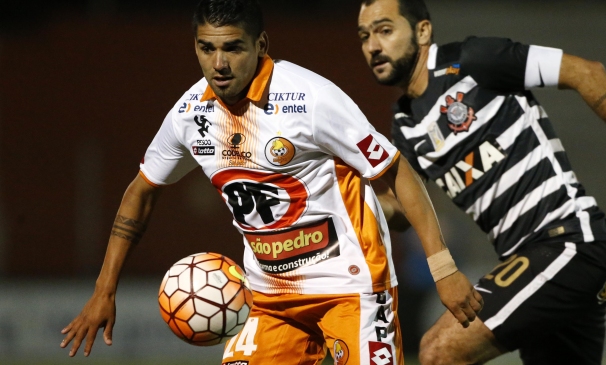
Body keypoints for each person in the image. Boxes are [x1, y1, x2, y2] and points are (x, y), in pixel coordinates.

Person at [59, 0, 483, 363]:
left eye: (232, 48)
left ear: (261, 45)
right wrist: (104, 289)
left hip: (351, 288)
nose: (219, 63)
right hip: (269, 300)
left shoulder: (310, 98)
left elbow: (395, 171)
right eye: (206, 49)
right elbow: (142, 190)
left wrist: (443, 268)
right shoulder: (189, 116)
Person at [357, 0, 606, 364]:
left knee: (438, 351)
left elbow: (588, 73)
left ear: (423, 31)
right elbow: (401, 212)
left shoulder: (475, 60)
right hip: (535, 260)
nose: (373, 46)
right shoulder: (405, 124)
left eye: (385, 30)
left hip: (569, 243)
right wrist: (350, 201)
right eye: (365, 36)